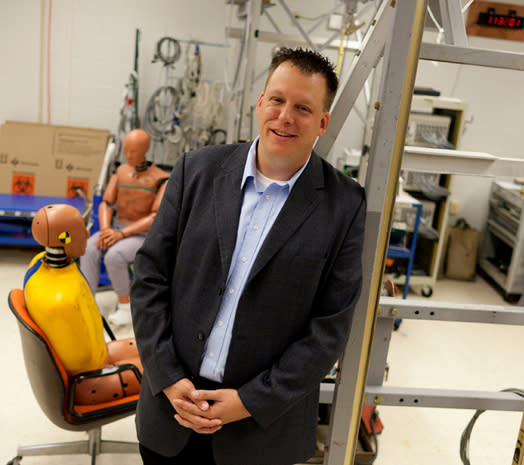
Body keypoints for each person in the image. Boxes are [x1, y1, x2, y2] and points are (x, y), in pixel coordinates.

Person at [130, 47, 366, 465]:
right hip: (172, 413)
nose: (285, 116)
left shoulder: (343, 205)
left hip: (260, 431)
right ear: (260, 102)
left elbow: (330, 328)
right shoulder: (195, 171)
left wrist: (249, 401)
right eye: (277, 99)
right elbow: (150, 276)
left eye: (303, 108)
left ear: (323, 123)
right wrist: (167, 377)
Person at [24, 204, 141, 403]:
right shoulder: (63, 299)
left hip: (94, 356)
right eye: (81, 229)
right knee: (171, 369)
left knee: (161, 351)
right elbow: (83, 363)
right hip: (88, 381)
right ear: (65, 238)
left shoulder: (38, 264)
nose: (87, 234)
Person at [80, 129, 169, 326]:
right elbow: (107, 203)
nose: (129, 155)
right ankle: (86, 302)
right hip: (114, 229)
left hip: (141, 235)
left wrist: (122, 234)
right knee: (87, 248)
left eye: (134, 152)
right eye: (127, 151)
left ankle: (125, 307)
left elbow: (156, 217)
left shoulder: (161, 178)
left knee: (115, 256)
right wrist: (105, 230)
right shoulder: (120, 172)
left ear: (145, 150)